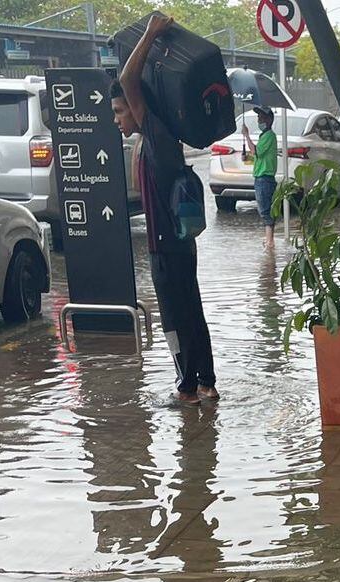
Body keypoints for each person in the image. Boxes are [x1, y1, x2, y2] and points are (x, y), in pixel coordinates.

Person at [114, 13, 217, 406]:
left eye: (121, 112)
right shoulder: (157, 137)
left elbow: (128, 80)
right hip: (179, 243)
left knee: (175, 318)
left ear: (137, 109)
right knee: (192, 310)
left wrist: (152, 34)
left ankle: (186, 388)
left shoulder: (156, 134)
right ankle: (205, 382)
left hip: (166, 247)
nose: (118, 120)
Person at [242, 105, 277, 247]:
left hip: (264, 179)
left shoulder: (269, 136)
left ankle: (270, 242)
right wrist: (247, 159)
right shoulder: (265, 136)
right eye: (258, 117)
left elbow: (257, 151)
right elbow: (259, 157)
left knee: (265, 211)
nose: (259, 120)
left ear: (268, 120)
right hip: (261, 178)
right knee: (265, 209)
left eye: (261, 117)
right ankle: (269, 239)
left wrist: (247, 136)